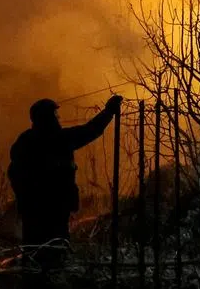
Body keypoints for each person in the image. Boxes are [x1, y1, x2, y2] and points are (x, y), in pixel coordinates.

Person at [8, 94, 122, 265]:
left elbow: (14, 174)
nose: (58, 118)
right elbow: (90, 130)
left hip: (33, 210)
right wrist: (108, 112)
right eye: (54, 115)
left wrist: (25, 198)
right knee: (53, 252)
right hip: (54, 208)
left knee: (33, 253)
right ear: (47, 117)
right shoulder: (58, 139)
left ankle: (34, 278)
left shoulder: (26, 141)